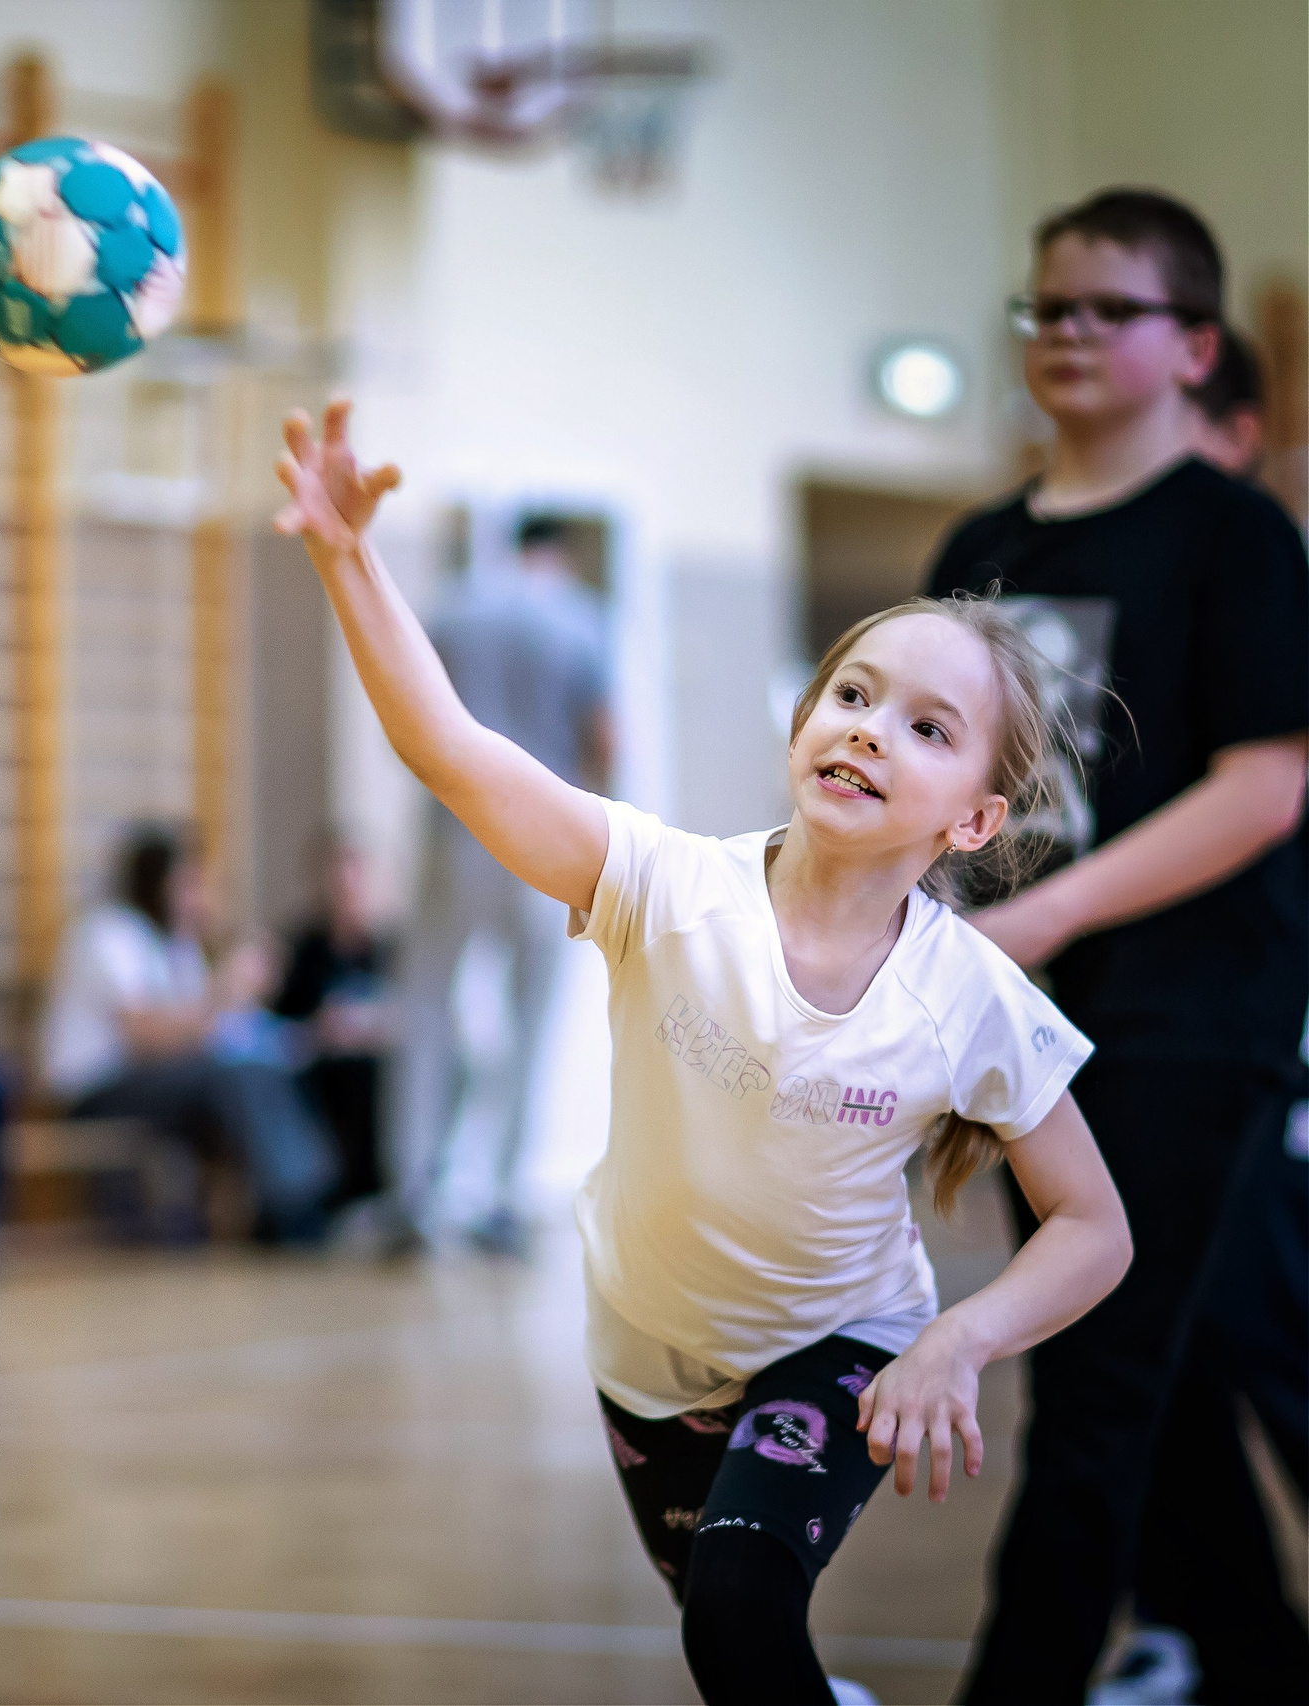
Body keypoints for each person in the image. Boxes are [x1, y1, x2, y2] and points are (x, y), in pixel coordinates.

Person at [277, 397, 1133, 1704]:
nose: (866, 727)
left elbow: (1094, 1227)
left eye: (925, 725)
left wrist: (958, 1340)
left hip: (841, 1344)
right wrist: (348, 557)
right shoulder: (660, 883)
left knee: (733, 1613)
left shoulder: (971, 995)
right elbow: (450, 751)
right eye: (853, 693)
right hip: (645, 1351)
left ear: (974, 818)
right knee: (746, 1656)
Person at [920, 190, 1309, 1703]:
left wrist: (1049, 915)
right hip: (1025, 1014)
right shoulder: (983, 541)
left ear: (1192, 343)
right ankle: (1261, 1660)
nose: (1067, 334)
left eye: (1107, 309)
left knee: (1094, 1386)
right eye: (1046, 308)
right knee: (1169, 1376)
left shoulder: (1235, 533)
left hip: (1189, 1017)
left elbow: (1267, 785)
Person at [1093, 324, 1309, 1706]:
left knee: (1258, 1324)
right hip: (1145, 1037)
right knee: (1151, 1349)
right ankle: (1219, 1634)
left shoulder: (1253, 576)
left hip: (1256, 1044)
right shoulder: (1152, 618)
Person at [397, 512, 610, 1256]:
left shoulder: (454, 607)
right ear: (565, 550)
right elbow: (604, 738)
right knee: (531, 1023)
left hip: (454, 837)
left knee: (425, 1011)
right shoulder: (582, 620)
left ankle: (417, 1192)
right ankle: (507, 1197)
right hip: (543, 844)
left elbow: (413, 716)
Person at [42, 825, 339, 1244]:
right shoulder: (107, 932)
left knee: (268, 1066)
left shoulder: (177, 947)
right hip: (96, 1088)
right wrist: (227, 991)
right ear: (158, 882)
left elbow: (212, 1032)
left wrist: (297, 1034)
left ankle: (302, 1201)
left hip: (162, 1085)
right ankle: (291, 1207)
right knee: (235, 1075)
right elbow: (145, 1038)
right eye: (190, 882)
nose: (199, 896)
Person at [269, 830, 396, 1214]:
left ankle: (382, 1193)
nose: (347, 886)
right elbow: (274, 1028)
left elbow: (412, 1017)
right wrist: (318, 1030)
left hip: (375, 1062)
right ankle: (327, 1197)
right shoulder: (299, 951)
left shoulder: (388, 949)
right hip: (315, 1066)